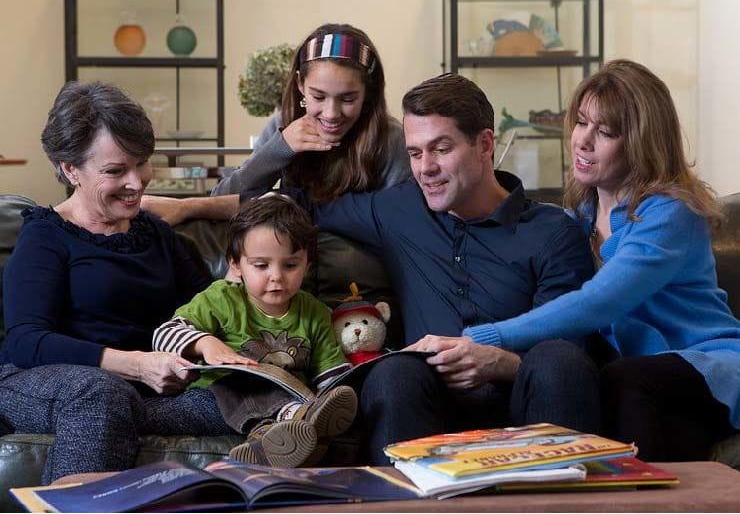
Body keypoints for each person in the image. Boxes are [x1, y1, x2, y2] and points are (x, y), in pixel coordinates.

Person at [267, 73, 599, 464]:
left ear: (485, 144)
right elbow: (294, 204)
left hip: (523, 404)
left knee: (558, 360)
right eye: (415, 152)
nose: (425, 168)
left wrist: (499, 362)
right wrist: (191, 210)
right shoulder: (401, 208)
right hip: (430, 405)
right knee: (393, 373)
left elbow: (574, 355)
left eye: (441, 149)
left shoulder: (552, 232)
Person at [446, 59, 740, 461]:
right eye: (582, 122)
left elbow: (600, 302)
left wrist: (486, 336)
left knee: (622, 379)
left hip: (707, 365)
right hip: (645, 381)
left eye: (605, 132)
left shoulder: (668, 213)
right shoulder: (578, 217)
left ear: (641, 142)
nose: (583, 141)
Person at [0, 81, 238, 484]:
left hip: (145, 390)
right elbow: (26, 340)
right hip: (45, 379)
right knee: (102, 394)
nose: (137, 181)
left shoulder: (154, 233)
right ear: (69, 169)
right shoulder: (46, 234)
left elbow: (203, 308)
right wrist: (135, 364)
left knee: (241, 396)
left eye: (141, 162)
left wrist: (236, 290)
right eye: (115, 171)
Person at [152, 194, 356, 467]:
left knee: (301, 392)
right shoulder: (222, 298)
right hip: (215, 400)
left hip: (286, 401)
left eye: (290, 265)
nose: (276, 276)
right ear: (236, 265)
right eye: (261, 265)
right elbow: (163, 335)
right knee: (243, 381)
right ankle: (296, 417)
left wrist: (343, 398)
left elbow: (330, 374)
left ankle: (267, 440)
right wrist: (205, 343)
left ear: (307, 266)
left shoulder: (315, 312)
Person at [141, 23, 411, 226]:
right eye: (318, 96)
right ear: (300, 85)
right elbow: (222, 196)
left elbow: (397, 222)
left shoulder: (391, 139)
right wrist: (280, 149)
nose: (331, 113)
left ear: (368, 94)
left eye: (348, 99)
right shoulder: (282, 126)